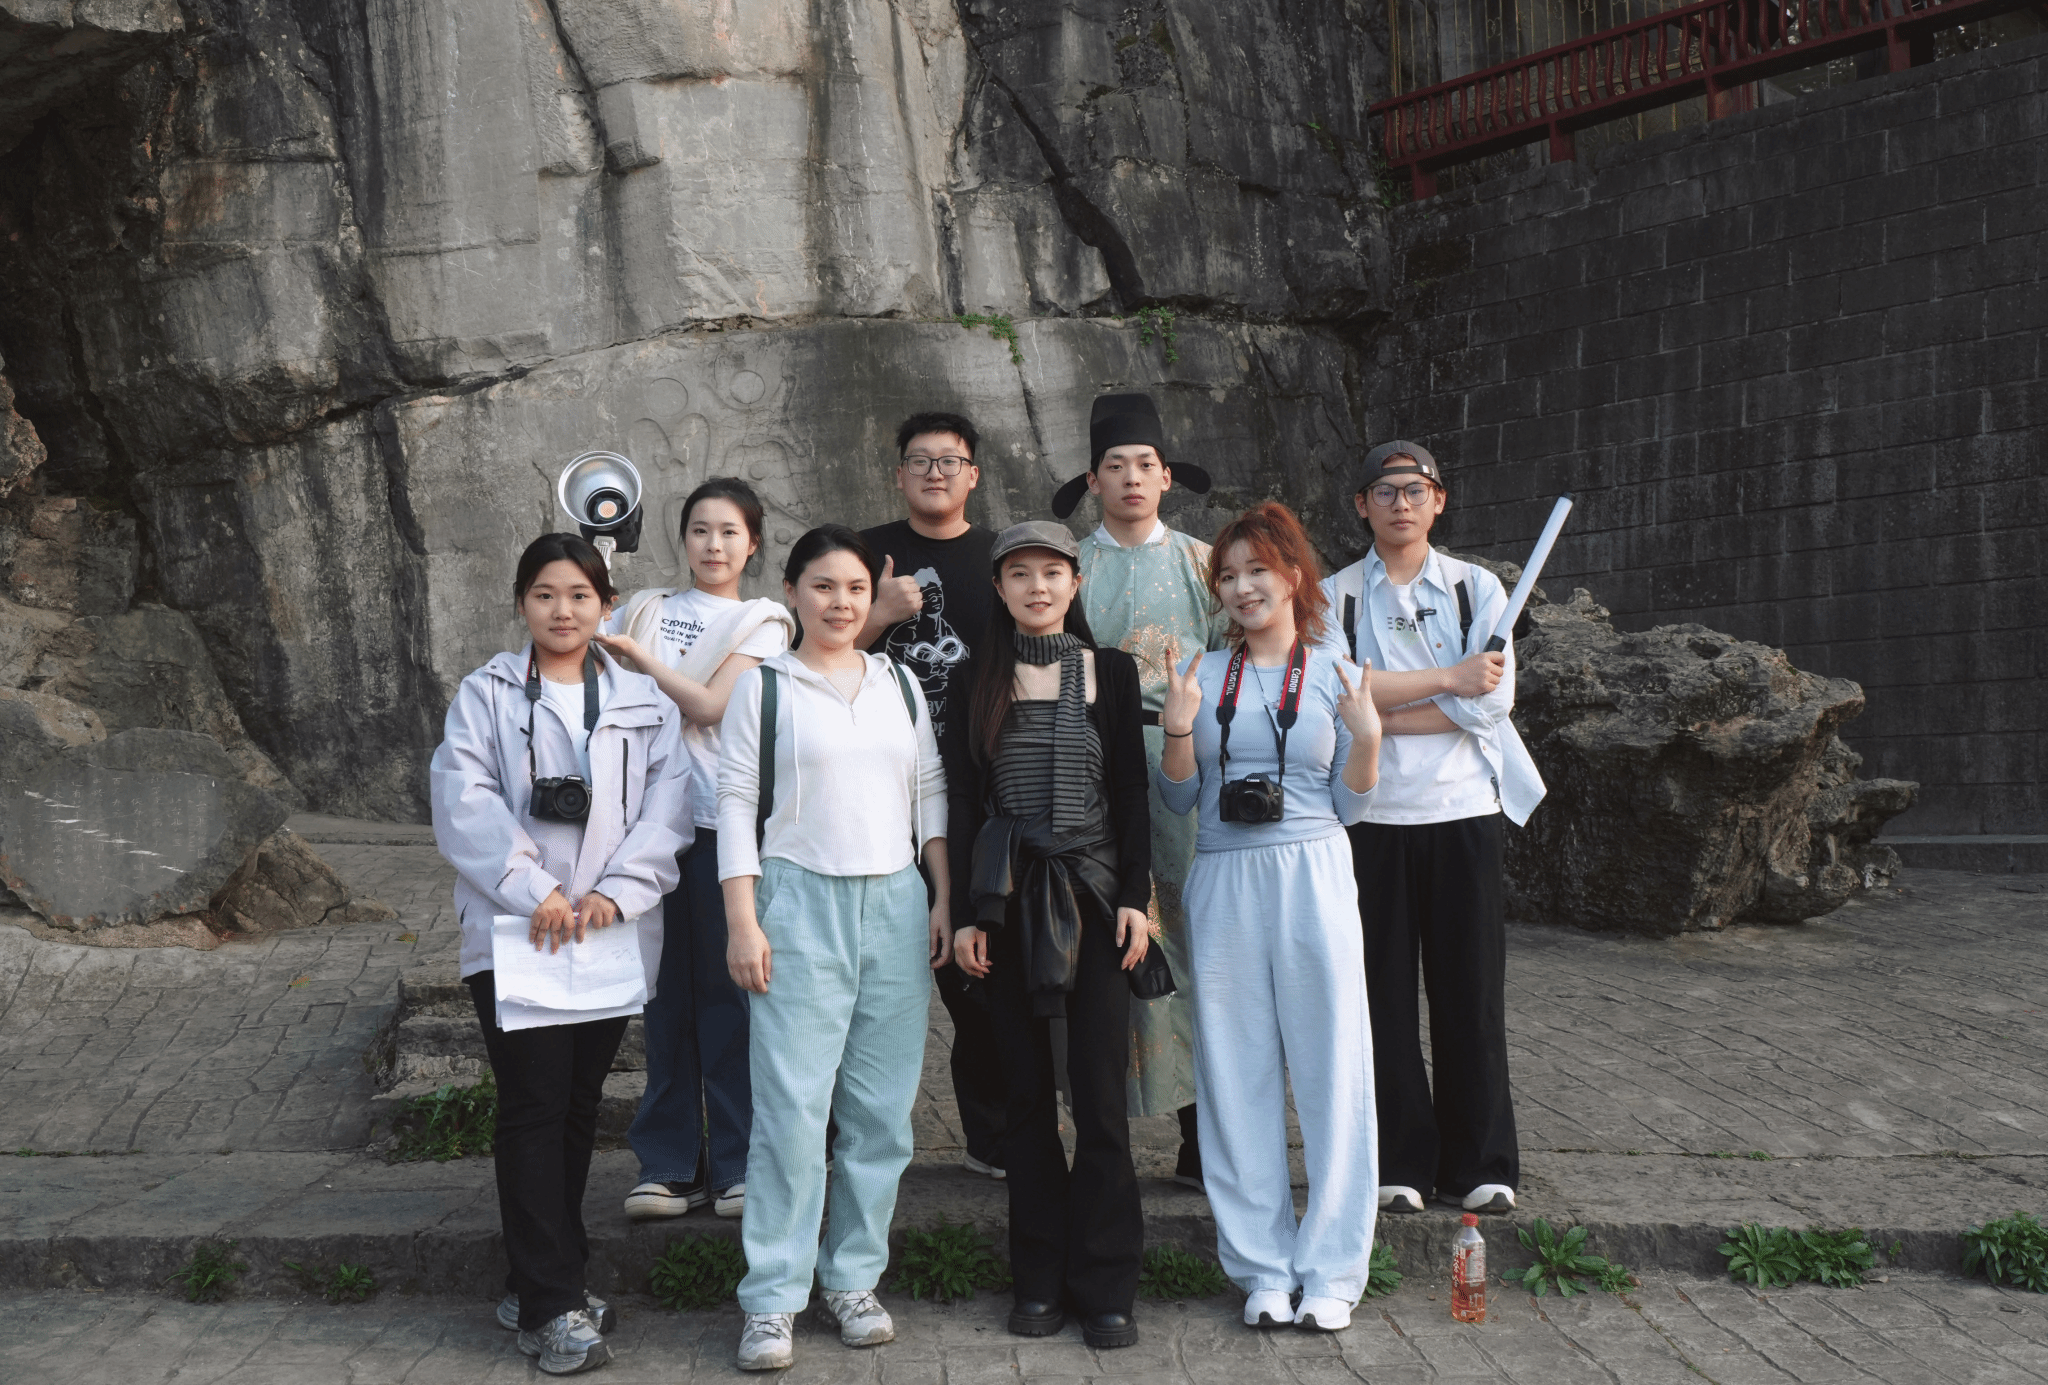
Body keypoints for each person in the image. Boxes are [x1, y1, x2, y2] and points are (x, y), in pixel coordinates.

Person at [431, 532, 692, 1376]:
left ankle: (541, 1279)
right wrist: (531, 887)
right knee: (534, 1104)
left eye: (580, 594)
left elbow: (670, 806)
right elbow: (463, 798)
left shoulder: (644, 701)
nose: (563, 610)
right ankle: (552, 1303)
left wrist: (619, 889)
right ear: (521, 603)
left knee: (578, 1104)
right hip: (520, 931)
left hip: (609, 928)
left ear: (606, 605)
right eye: (545, 594)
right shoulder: (486, 694)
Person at [717, 525, 953, 1371]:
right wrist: (743, 920)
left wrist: (942, 894)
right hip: (796, 900)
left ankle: (853, 1278)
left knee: (881, 1113)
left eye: (855, 587)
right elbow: (735, 801)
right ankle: (772, 1297)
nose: (841, 602)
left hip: (895, 901)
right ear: (790, 592)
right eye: (822, 586)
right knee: (791, 1111)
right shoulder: (763, 687)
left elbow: (930, 790)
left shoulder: (899, 681)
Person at [1156, 502, 1383, 1333]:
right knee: (1233, 1070)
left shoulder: (1334, 670)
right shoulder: (1204, 670)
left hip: (1313, 869)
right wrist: (1178, 729)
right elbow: (1179, 796)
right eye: (1228, 574)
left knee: (1332, 1065)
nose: (1242, 586)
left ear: (1293, 575)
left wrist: (1369, 738)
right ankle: (1260, 1265)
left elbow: (1354, 805)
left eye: (1258, 569)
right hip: (1223, 875)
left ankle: (1333, 1269)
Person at [1316, 440, 1544, 1218]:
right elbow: (1336, 693)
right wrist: (1448, 681)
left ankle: (1481, 1161)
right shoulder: (1334, 595)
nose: (1401, 503)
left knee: (1470, 991)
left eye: (1416, 490)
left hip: (1463, 810)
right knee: (1379, 993)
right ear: (1362, 505)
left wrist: (1382, 706)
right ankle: (1398, 1161)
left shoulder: (1478, 587)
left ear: (1439, 500)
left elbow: (1493, 703)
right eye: (1385, 490)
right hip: (1369, 814)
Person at [949, 521, 1154, 1348]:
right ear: (999, 588)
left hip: (1096, 897)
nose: (1038, 587)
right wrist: (969, 912)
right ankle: (1037, 1276)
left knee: (1100, 1098)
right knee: (1027, 1096)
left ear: (1075, 582)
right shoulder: (974, 678)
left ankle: (1106, 1283)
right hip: (1008, 899)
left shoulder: (1112, 671)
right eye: (1020, 574)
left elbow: (1132, 793)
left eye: (1052, 573)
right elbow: (963, 800)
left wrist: (1135, 896)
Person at [596, 479, 795, 1223]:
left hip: (717, 824)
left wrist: (638, 661)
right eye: (700, 530)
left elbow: (712, 707)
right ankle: (668, 1164)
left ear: (753, 543)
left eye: (730, 532)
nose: (714, 545)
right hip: (638, 826)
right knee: (660, 996)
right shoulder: (644, 608)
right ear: (682, 538)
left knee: (728, 996)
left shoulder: (764, 622)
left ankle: (739, 1163)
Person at [1054, 391, 1228, 1189]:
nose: (1131, 478)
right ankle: (1103, 1134)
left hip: (1183, 761)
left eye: (1145, 465)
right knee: (1100, 937)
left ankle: (1204, 1135)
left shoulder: (1205, 564)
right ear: (1093, 479)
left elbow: (1234, 659)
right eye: (1115, 465)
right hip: (1088, 765)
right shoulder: (1068, 567)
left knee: (1194, 936)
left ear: (1166, 478)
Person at [857, 411, 1010, 1180]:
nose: (935, 473)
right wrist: (880, 615)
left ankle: (995, 1134)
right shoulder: (865, 554)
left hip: (982, 789)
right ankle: (850, 1139)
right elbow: (808, 652)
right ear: (899, 474)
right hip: (877, 791)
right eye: (920, 460)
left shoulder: (1003, 557)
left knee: (979, 971)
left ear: (973, 474)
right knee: (873, 972)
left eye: (950, 461)